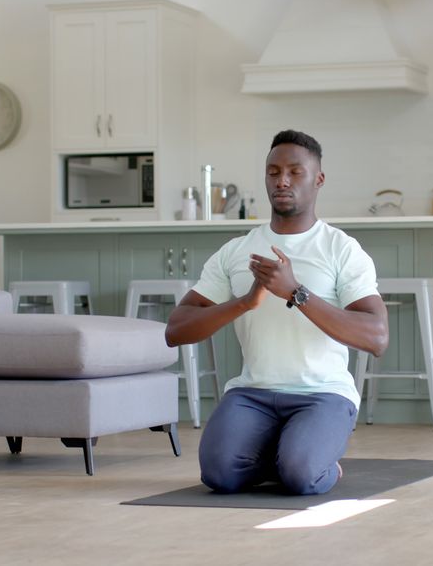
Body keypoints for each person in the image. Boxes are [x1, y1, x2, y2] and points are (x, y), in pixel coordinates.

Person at [165, 129, 389, 496]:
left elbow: (377, 338)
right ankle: (284, 453)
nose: (282, 180)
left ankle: (309, 459)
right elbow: (176, 329)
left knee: (302, 476)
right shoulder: (237, 250)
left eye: (295, 172)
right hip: (252, 393)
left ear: (318, 180)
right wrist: (243, 302)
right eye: (273, 171)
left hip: (323, 394)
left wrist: (296, 293)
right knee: (219, 475)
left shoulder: (340, 249)